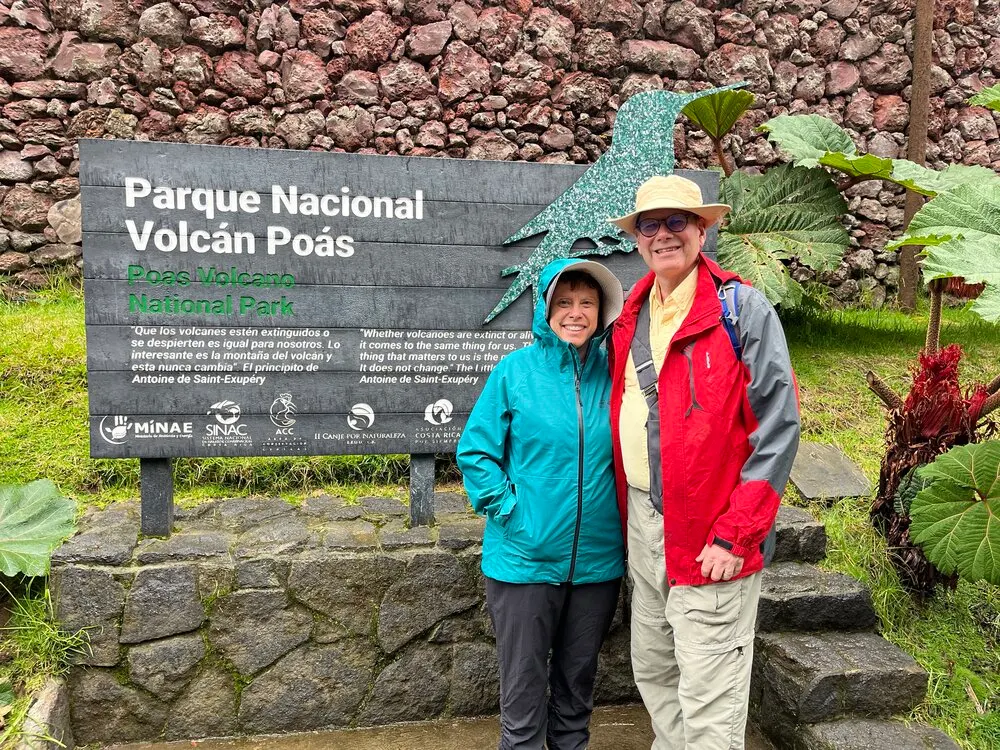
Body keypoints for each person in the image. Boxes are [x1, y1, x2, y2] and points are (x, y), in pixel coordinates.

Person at [606, 175, 800, 750]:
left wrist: (736, 535)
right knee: (656, 669)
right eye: (650, 224)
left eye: (677, 222)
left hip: (713, 534)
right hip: (645, 526)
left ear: (701, 229)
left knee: (710, 691)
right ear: (637, 237)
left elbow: (777, 429)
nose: (663, 235)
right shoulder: (631, 314)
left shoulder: (741, 310)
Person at [458, 258, 627, 750]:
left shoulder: (617, 375)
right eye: (565, 302)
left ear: (602, 312)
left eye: (587, 303)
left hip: (597, 564)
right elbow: (476, 452)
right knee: (523, 701)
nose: (576, 313)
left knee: (576, 696)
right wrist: (513, 513)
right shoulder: (516, 371)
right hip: (524, 562)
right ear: (546, 310)